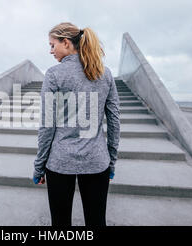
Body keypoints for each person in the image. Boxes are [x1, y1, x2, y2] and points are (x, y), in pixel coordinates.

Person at [32, 22, 121, 226]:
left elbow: (47, 125)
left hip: (59, 162)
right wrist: (111, 161)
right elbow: (114, 121)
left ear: (66, 43)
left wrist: (39, 166)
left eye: (52, 45)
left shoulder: (54, 74)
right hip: (97, 161)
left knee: (60, 224)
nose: (50, 50)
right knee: (97, 221)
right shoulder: (104, 73)